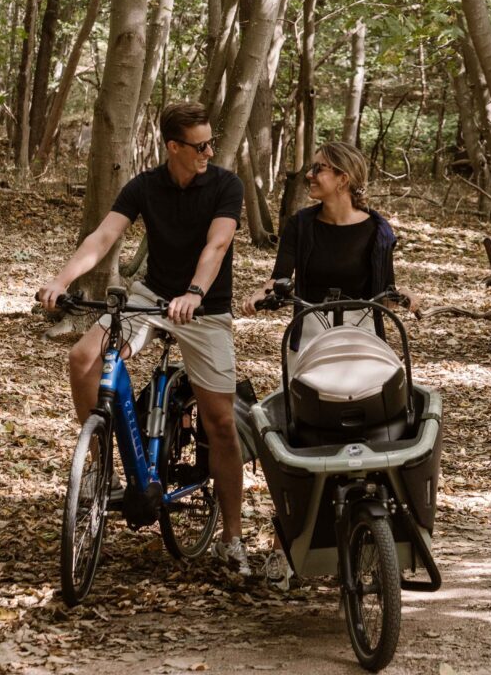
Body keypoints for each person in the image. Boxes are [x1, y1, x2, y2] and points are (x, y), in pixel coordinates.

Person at [38, 102, 250, 575]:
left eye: (211, 143)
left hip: (204, 308)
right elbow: (102, 237)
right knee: (83, 358)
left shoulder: (224, 185)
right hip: (151, 297)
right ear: (173, 147)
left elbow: (217, 246)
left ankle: (232, 536)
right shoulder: (144, 187)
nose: (209, 152)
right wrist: (61, 280)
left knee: (220, 424)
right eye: (200, 145)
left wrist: (195, 292)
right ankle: (100, 460)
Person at [242, 140, 418, 588]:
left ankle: (381, 534)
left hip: (363, 333)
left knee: (380, 426)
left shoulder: (378, 230)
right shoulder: (301, 225)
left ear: (343, 178)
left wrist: (403, 297)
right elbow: (283, 276)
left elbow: (386, 285)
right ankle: (286, 547)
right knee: (301, 434)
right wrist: (267, 294)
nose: (309, 176)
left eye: (318, 169)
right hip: (312, 331)